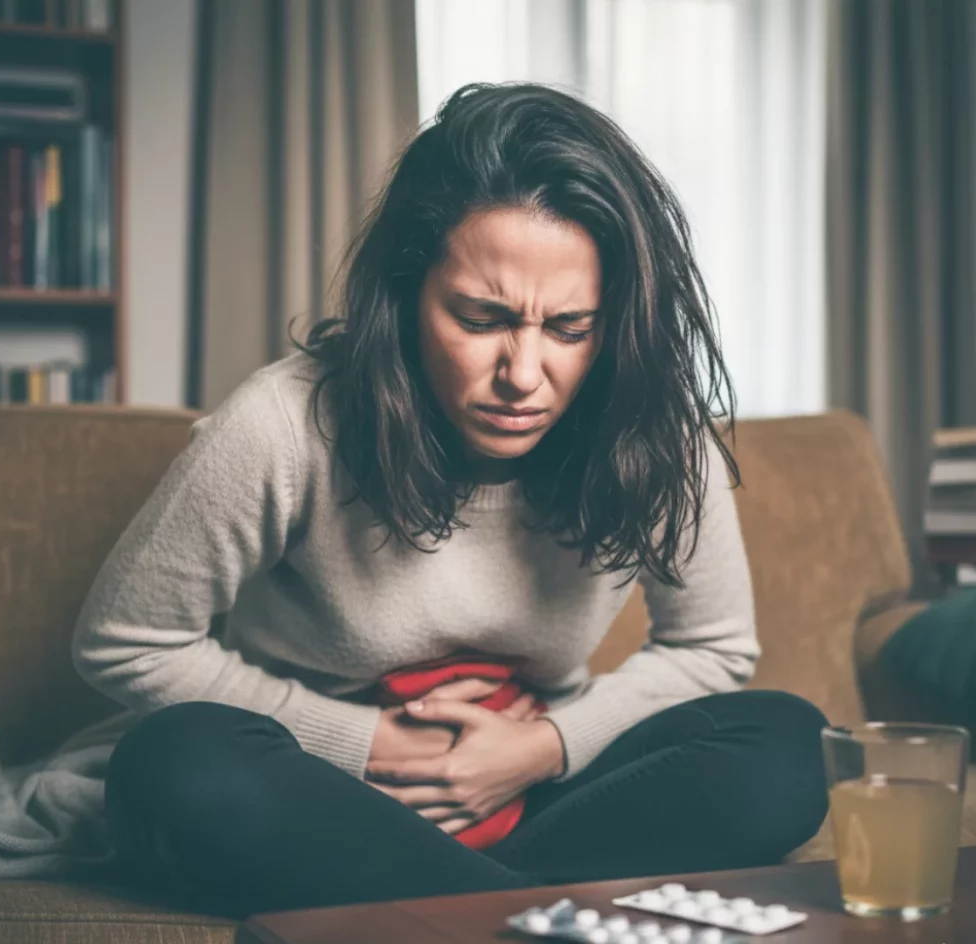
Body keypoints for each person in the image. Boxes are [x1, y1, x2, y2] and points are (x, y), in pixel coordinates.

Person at [76, 82, 828, 920]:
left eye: (570, 329)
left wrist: (540, 750)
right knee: (174, 765)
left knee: (786, 745)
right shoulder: (283, 422)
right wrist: (367, 748)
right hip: (317, 799)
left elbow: (714, 648)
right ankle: (532, 917)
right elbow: (123, 641)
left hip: (539, 792)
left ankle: (455, 915)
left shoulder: (656, 434)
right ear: (406, 296)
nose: (524, 374)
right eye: (481, 318)